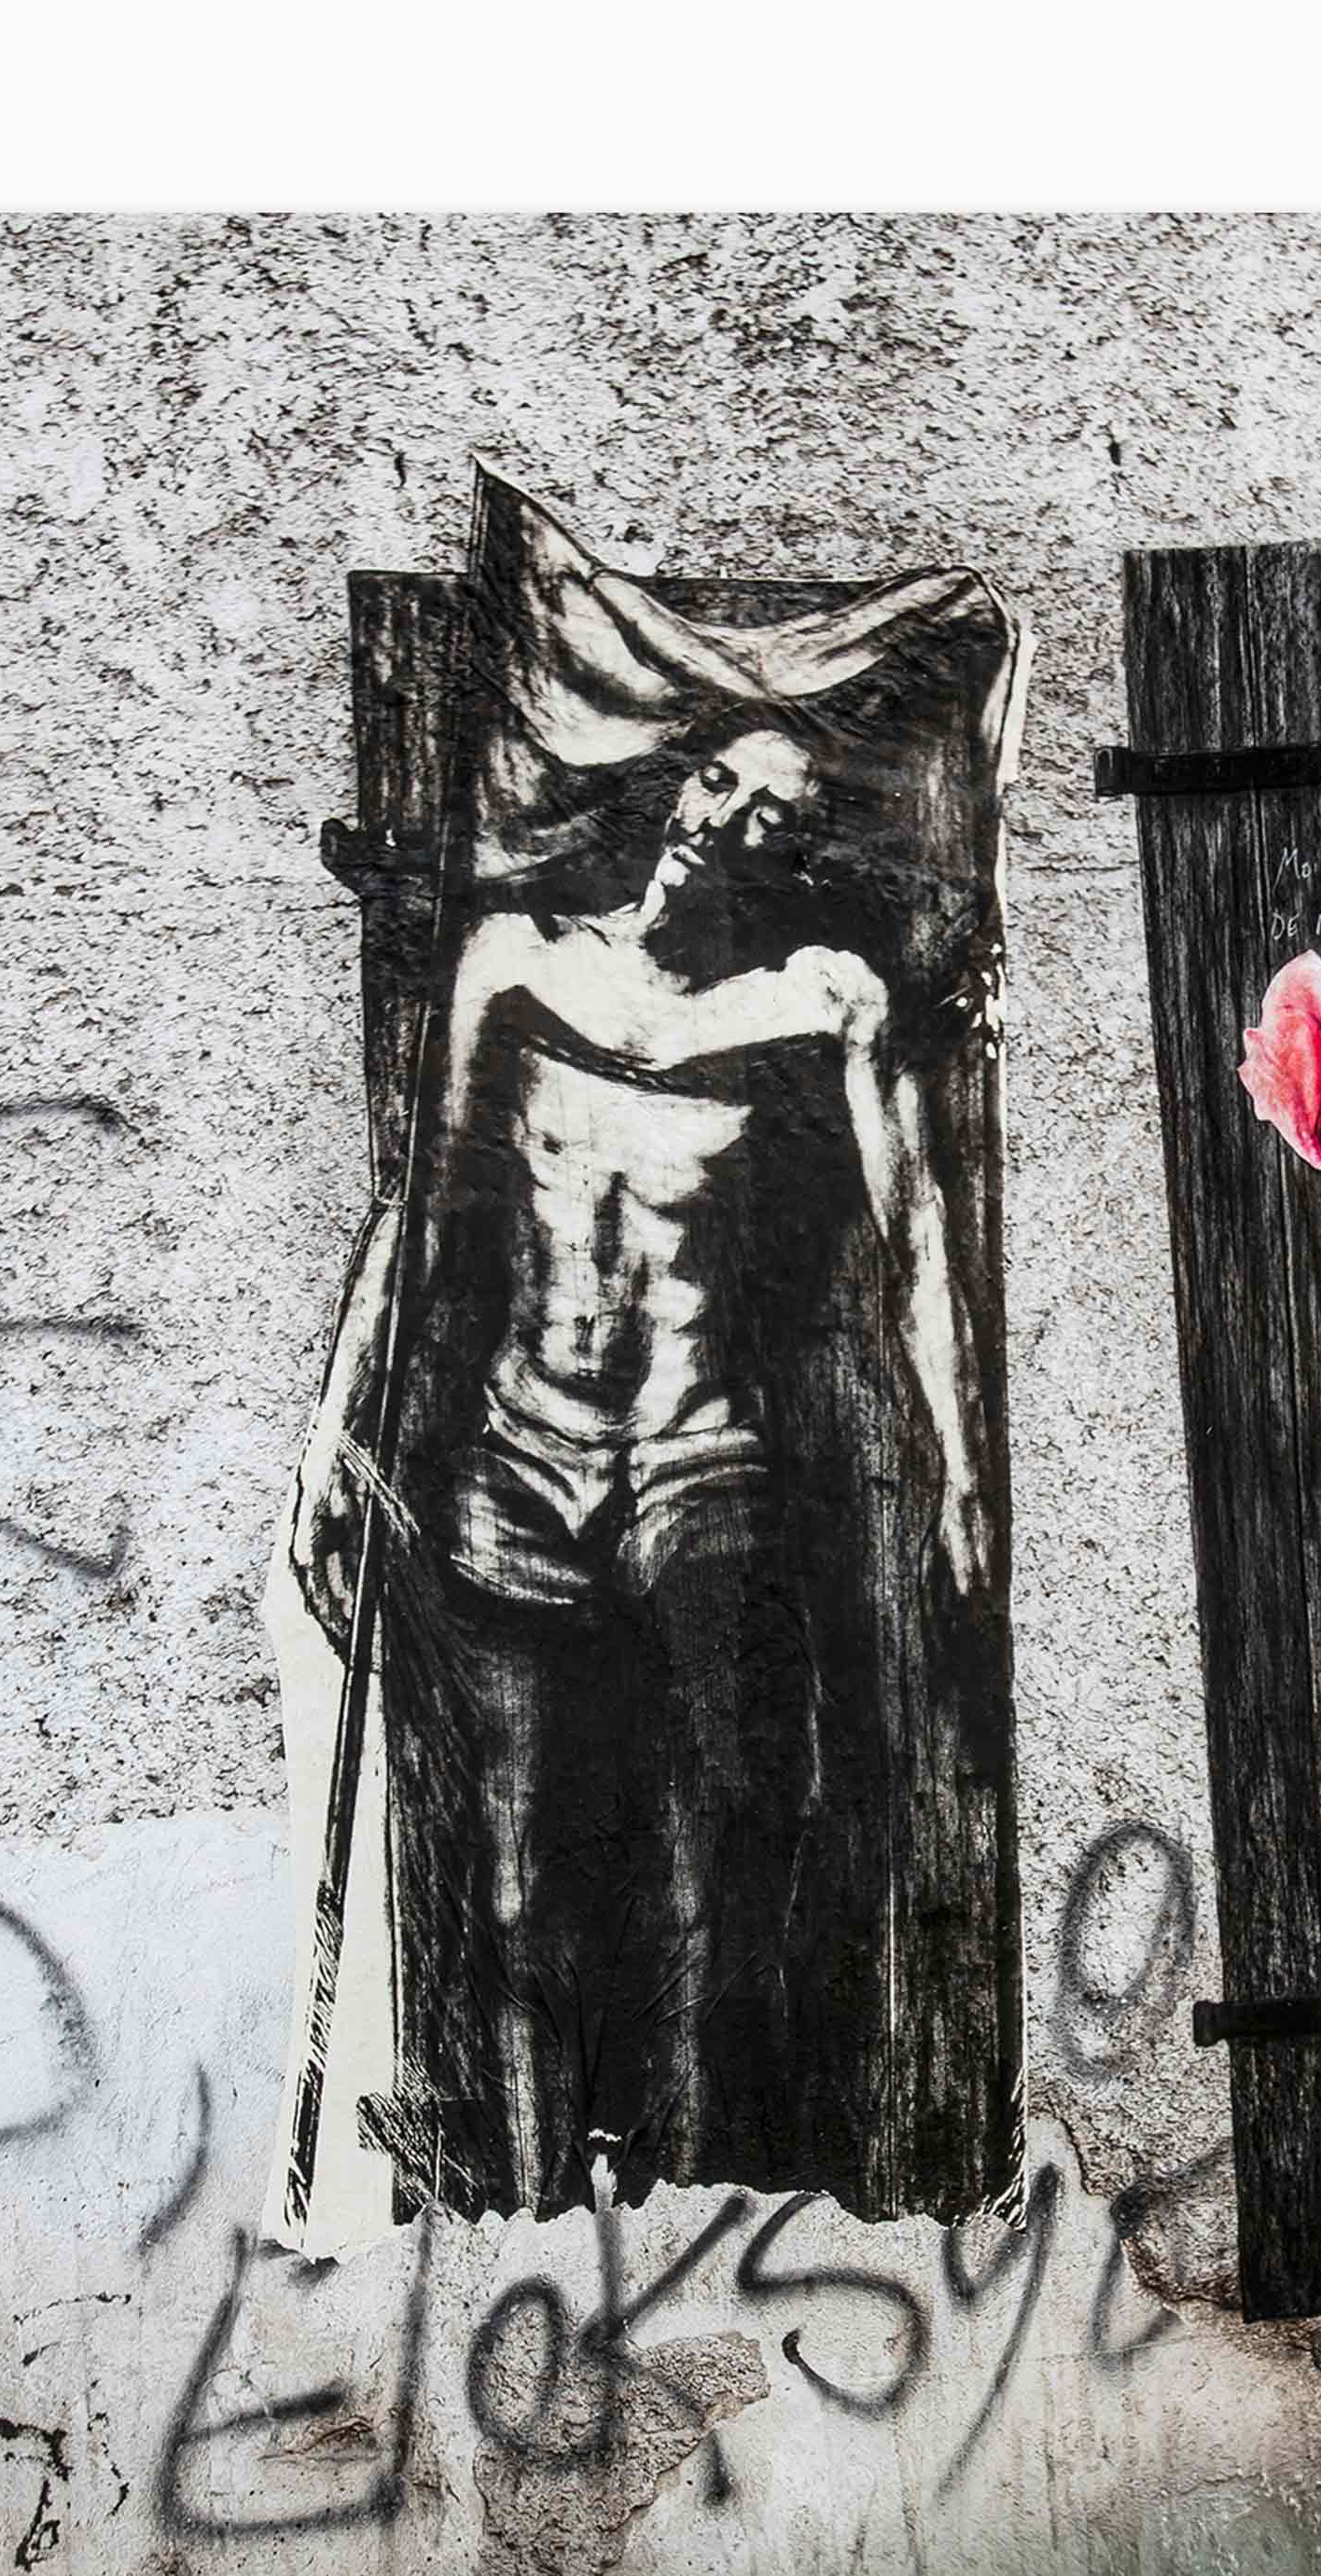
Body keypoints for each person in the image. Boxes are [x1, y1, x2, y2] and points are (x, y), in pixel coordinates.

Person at [290, 717, 990, 2211]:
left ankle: (683, 2184)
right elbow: (419, 1212)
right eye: (717, 781)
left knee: (736, 1833)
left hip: (697, 1452)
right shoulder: (519, 964)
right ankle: (534, 2203)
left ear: (793, 857)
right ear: (676, 786)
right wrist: (338, 1435)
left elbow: (917, 1242)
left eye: (770, 814)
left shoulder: (816, 1000)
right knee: (512, 1879)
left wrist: (962, 1473)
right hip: (520, 1453)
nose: (724, 821)